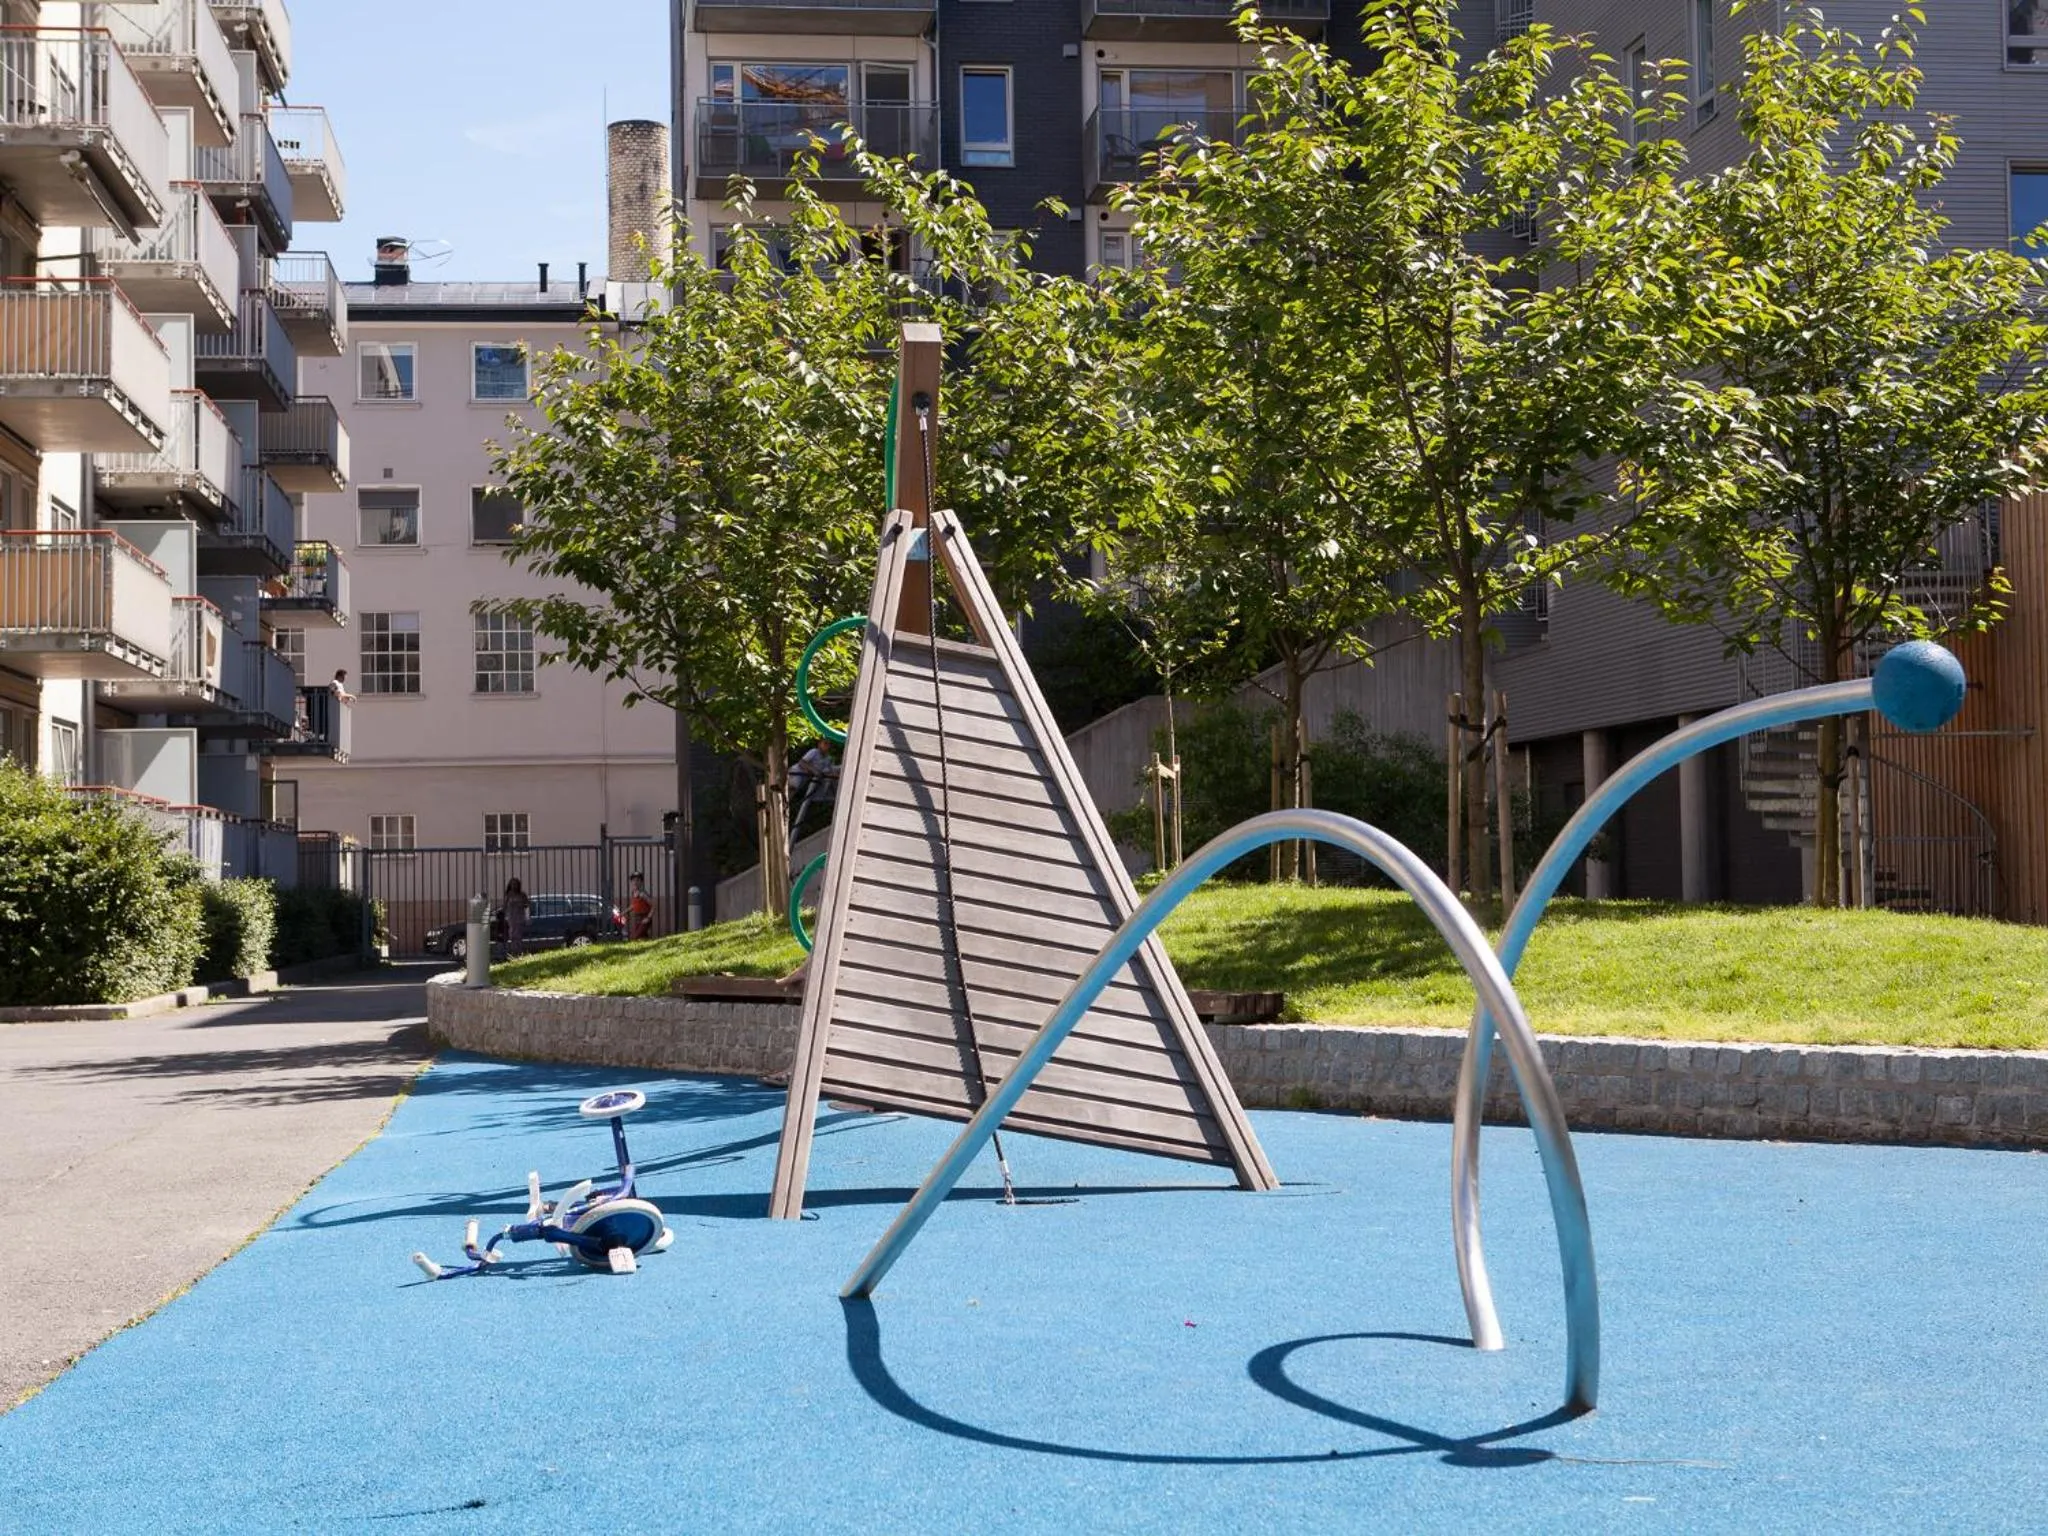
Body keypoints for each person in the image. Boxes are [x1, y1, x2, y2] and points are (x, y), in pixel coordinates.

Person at [786, 739, 840, 852]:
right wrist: (814, 771)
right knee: (793, 786)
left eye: (828, 744)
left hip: (811, 779)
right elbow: (803, 763)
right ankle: (784, 804)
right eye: (824, 743)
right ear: (819, 744)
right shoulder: (814, 752)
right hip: (799, 773)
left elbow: (830, 770)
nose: (826, 746)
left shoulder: (828, 759)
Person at [502, 876, 531, 956]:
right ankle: (514, 952)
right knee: (512, 936)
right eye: (512, 884)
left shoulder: (522, 895)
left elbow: (527, 906)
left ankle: (518, 952)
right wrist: (504, 916)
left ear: (518, 885)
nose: (514, 886)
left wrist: (527, 918)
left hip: (519, 919)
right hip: (511, 919)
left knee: (517, 936)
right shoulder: (509, 895)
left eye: (515, 884)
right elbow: (504, 907)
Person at [627, 871, 654, 941]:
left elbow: (654, 906)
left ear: (641, 882)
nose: (635, 882)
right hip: (637, 917)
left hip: (645, 917)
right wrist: (623, 913)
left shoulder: (643, 894)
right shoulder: (633, 892)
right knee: (643, 936)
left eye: (638, 880)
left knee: (636, 936)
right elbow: (633, 905)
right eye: (633, 880)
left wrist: (648, 918)